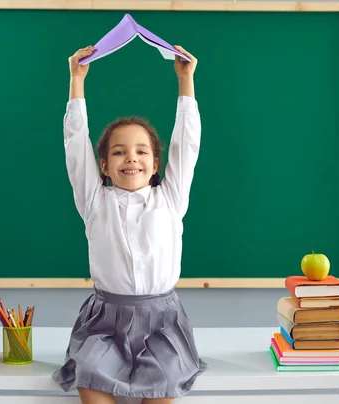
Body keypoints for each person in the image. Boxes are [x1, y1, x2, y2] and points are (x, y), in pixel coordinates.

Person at [52, 44, 206, 404]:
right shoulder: (94, 200)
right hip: (105, 321)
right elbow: (76, 145)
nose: (130, 158)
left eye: (141, 151)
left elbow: (188, 143)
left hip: (163, 323)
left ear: (156, 164)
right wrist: (77, 81)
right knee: (89, 377)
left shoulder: (170, 198)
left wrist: (186, 82)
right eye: (119, 152)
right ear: (103, 165)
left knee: (165, 381)